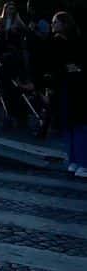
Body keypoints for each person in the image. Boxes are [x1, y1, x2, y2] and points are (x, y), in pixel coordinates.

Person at [50, 12, 86, 177]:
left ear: (64, 24)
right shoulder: (58, 42)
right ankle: (73, 160)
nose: (53, 25)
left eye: (55, 22)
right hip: (66, 85)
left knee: (78, 125)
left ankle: (82, 162)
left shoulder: (75, 41)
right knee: (70, 125)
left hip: (76, 87)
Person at [0, 1, 29, 128]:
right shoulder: (0, 21)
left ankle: (17, 117)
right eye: (9, 8)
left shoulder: (18, 23)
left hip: (14, 59)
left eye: (13, 8)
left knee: (15, 89)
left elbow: (21, 39)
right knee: (3, 89)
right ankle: (9, 115)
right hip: (3, 58)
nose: (11, 11)